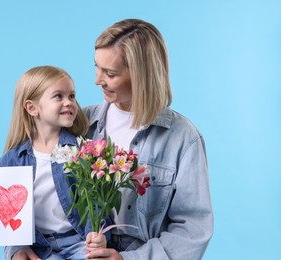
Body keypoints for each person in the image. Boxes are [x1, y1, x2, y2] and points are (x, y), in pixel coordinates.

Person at [83, 18, 214, 259]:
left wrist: (129, 258)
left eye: (110, 73)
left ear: (141, 75)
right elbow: (41, 186)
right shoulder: (80, 124)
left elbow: (193, 229)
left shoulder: (183, 138)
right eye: (96, 67)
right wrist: (16, 244)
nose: (97, 80)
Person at [0, 66, 107, 260]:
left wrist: (98, 236)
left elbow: (95, 201)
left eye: (72, 96)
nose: (69, 102)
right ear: (32, 108)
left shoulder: (82, 151)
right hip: (40, 248)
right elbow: (1, 214)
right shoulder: (12, 161)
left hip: (80, 243)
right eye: (58, 96)